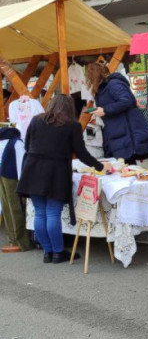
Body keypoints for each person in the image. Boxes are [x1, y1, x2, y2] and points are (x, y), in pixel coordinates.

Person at [17, 95, 110, 263]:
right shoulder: (72, 125)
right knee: (53, 212)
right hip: (56, 172)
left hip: (33, 169)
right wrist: (100, 167)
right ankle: (58, 253)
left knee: (40, 212)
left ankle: (48, 252)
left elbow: (27, 145)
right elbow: (82, 153)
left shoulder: (36, 120)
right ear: (69, 108)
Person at [85, 62, 148, 164]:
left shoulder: (113, 84)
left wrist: (105, 110)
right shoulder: (104, 87)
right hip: (118, 135)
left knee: (126, 167)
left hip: (125, 136)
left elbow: (127, 101)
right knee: (122, 167)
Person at [0, 126, 35, 252]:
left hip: (3, 176)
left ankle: (13, 239)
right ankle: (22, 242)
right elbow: (21, 163)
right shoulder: (16, 143)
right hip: (13, 178)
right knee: (17, 209)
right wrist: (24, 183)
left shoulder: (3, 142)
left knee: (8, 209)